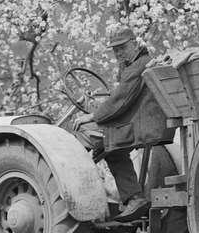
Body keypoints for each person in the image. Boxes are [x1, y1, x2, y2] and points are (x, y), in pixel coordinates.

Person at [73, 26, 172, 221]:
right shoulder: (138, 63)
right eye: (115, 49)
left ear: (135, 44)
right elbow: (121, 99)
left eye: (122, 47)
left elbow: (120, 100)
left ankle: (85, 191)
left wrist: (92, 116)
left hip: (142, 125)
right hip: (142, 121)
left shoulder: (139, 65)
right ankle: (132, 197)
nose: (118, 52)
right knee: (113, 150)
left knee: (85, 135)